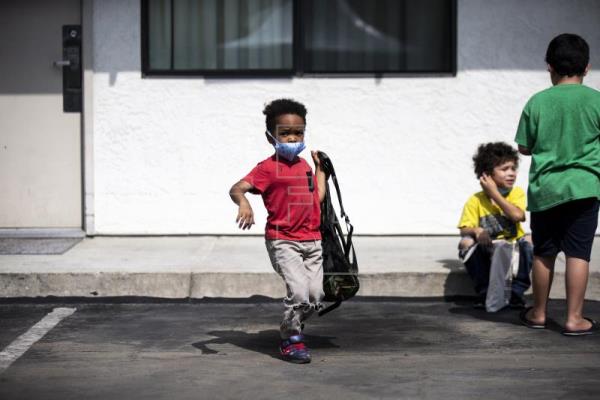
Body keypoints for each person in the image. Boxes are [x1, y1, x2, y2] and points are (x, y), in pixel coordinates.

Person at [229, 98, 326, 362]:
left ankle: (292, 323)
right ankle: (290, 339)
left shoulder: (305, 167)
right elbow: (237, 188)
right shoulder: (266, 169)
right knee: (298, 293)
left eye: (298, 132)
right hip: (283, 240)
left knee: (316, 296)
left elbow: (316, 197)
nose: (293, 137)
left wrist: (320, 170)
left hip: (313, 240)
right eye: (285, 133)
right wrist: (245, 203)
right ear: (271, 137)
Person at [515, 33, 600, 335]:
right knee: (579, 253)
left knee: (544, 253)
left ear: (549, 66)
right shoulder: (596, 100)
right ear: (587, 68)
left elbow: (524, 147)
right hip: (584, 188)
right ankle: (574, 319)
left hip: (546, 189)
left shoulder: (537, 102)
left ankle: (538, 313)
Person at [458, 142, 533, 310]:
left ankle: (515, 292)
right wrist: (477, 230)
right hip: (489, 247)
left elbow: (518, 216)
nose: (511, 173)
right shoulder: (475, 200)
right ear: (487, 175)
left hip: (513, 246)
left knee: (530, 242)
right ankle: (485, 292)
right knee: (465, 243)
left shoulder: (517, 193)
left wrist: (494, 194)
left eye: (513, 168)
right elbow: (463, 229)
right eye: (504, 169)